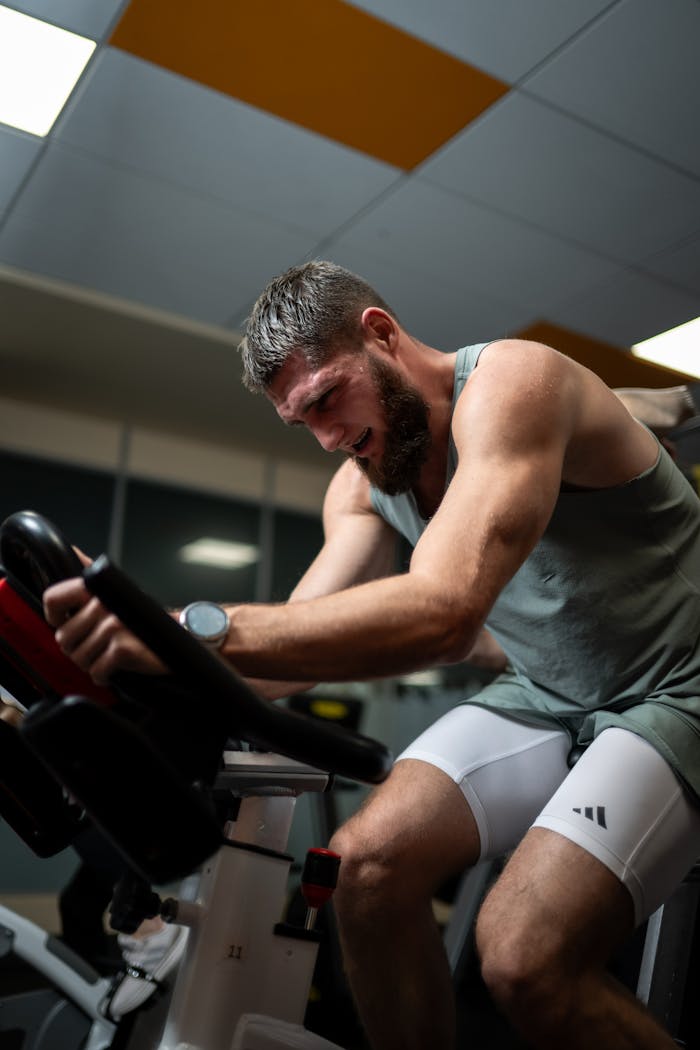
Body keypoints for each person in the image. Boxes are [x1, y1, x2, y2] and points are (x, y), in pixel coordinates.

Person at [42, 261, 700, 1050]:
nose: (327, 438)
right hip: (549, 691)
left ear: (381, 336)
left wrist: (188, 626)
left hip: (680, 685)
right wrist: (136, 650)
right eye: (302, 423)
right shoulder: (362, 482)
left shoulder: (513, 382)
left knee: (524, 957)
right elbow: (292, 651)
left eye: (326, 399)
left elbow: (443, 614)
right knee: (360, 872)